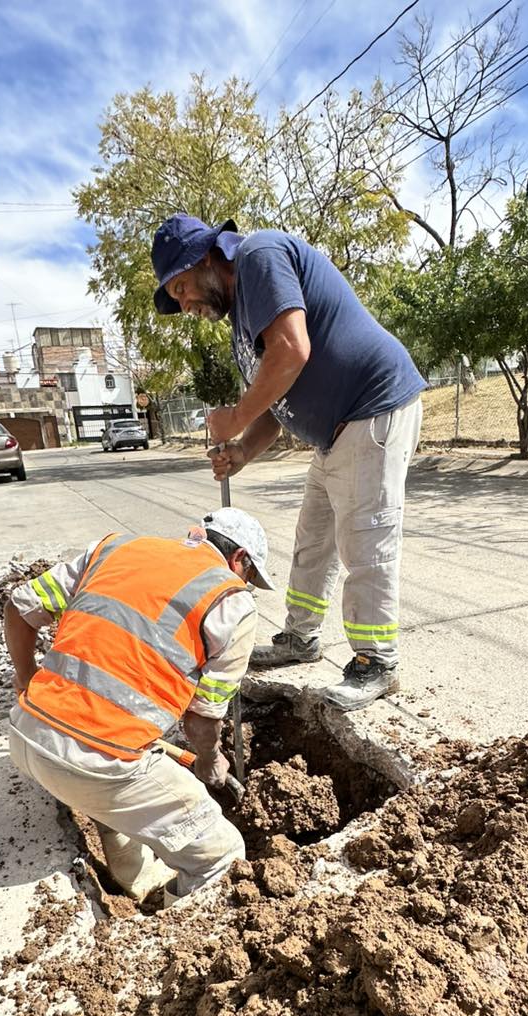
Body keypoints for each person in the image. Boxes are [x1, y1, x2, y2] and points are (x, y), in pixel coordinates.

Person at [151, 212, 427, 711]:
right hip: (333, 436)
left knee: (365, 540)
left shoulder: (259, 256)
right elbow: (277, 404)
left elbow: (292, 352)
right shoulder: (244, 317)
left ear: (208, 257)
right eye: (177, 298)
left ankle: (376, 662)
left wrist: (234, 415)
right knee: (313, 541)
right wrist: (241, 451)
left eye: (184, 287)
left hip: (372, 410)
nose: (186, 303)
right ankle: (300, 638)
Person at [3, 509, 272, 901]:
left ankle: (135, 882)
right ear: (240, 560)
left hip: (25, 737)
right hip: (97, 768)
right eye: (249, 577)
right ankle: (173, 939)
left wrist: (27, 681)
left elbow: (18, 607)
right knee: (223, 856)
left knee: (117, 793)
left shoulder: (113, 548)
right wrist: (210, 761)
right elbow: (202, 718)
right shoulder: (232, 602)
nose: (244, 584)